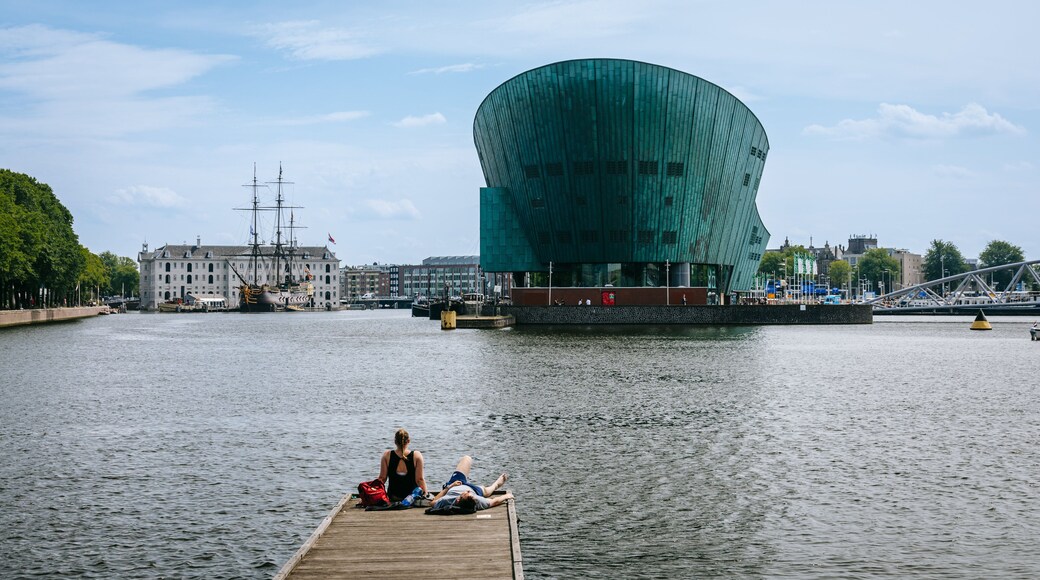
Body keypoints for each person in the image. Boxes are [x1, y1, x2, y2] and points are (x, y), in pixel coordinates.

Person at [429, 455, 512, 513]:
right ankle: (496, 484)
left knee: (466, 458)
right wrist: (506, 496)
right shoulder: (476, 500)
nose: (468, 491)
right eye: (469, 494)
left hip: (456, 483)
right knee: (486, 492)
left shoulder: (446, 500)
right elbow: (494, 501)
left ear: (458, 499)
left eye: (466, 493)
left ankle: (462, 479)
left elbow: (432, 502)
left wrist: (449, 487)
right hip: (475, 489)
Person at [378, 428, 428, 502]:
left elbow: (382, 478)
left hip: (393, 496)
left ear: (395, 442)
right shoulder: (417, 455)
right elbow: (419, 479)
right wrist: (425, 494)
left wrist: (372, 492)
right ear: (408, 441)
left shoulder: (387, 455)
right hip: (412, 498)